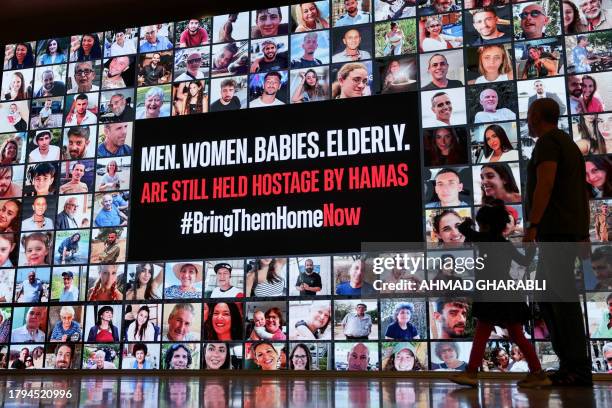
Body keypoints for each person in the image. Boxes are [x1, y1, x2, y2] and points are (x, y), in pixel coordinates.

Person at [525, 98, 593, 386]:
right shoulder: (568, 145)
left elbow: (546, 183)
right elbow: (579, 193)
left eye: (529, 115)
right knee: (551, 298)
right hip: (566, 233)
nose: (527, 120)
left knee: (561, 301)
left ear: (538, 116)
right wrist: (583, 233)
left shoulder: (548, 143)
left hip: (555, 234)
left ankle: (576, 368)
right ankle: (570, 365)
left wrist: (533, 225)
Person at [451, 203, 546, 387]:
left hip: (489, 294)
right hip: (508, 293)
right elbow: (525, 261)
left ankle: (471, 373)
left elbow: (463, 229)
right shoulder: (505, 243)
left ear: (484, 224)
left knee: (481, 334)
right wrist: (532, 247)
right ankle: (538, 373)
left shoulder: (483, 238)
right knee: (518, 335)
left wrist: (468, 222)